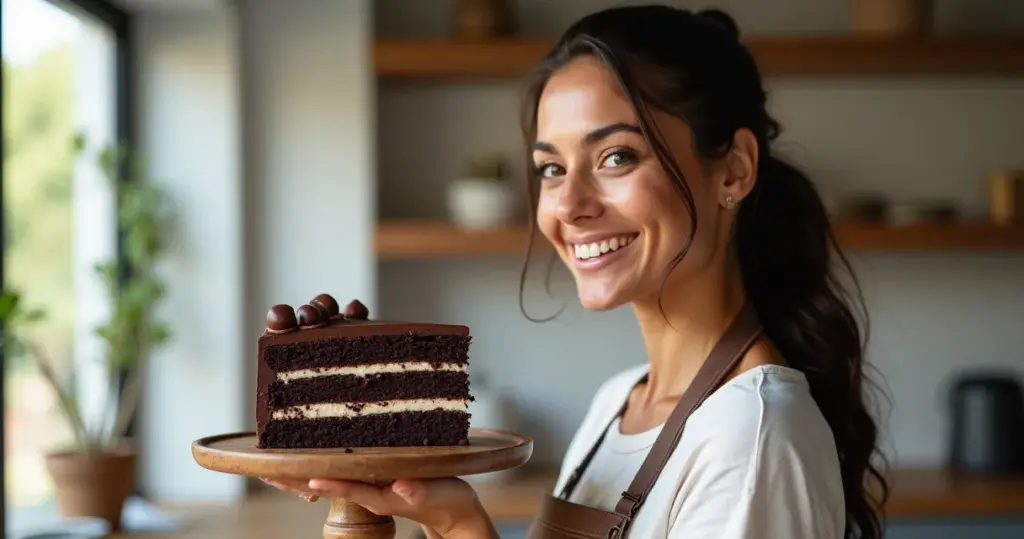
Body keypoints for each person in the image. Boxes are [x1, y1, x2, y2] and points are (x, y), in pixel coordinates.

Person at [263, 5, 889, 538]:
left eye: (616, 156)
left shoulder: (753, 433)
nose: (568, 205)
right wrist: (450, 518)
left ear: (733, 171)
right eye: (552, 168)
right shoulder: (618, 402)